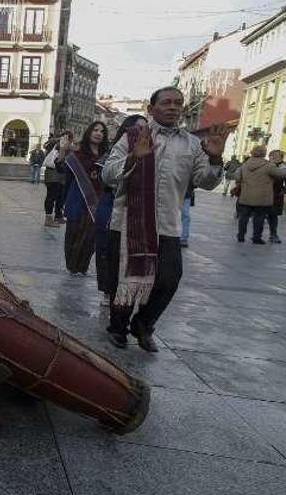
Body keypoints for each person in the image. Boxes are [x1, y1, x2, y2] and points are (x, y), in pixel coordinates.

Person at [102, 86, 226, 353]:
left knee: (169, 279)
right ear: (151, 109)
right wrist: (133, 157)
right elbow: (108, 174)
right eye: (166, 102)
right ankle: (117, 328)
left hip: (167, 224)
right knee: (123, 279)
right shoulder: (132, 137)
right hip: (127, 222)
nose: (173, 107)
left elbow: (205, 181)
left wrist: (215, 157)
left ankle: (143, 325)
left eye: (178, 103)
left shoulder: (192, 144)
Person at [95, 115, 148, 307]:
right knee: (106, 250)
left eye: (145, 128)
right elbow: (106, 177)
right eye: (136, 129)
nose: (141, 133)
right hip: (111, 203)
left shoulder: (153, 151)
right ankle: (107, 290)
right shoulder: (114, 151)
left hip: (137, 208)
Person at [54, 122, 109, 275]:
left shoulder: (107, 155)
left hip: (98, 202)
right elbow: (61, 169)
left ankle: (82, 267)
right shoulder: (78, 154)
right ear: (89, 133)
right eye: (95, 130)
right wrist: (63, 151)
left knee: (90, 237)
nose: (98, 133)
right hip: (77, 199)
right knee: (73, 234)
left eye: (102, 131)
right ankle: (72, 266)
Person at [234, 145, 286, 244]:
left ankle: (241, 235)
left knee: (243, 217)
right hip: (262, 198)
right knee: (259, 218)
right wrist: (285, 167)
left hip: (246, 196)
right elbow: (282, 174)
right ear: (264, 153)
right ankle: (256, 238)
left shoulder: (245, 165)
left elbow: (237, 177)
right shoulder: (268, 165)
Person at [42, 131, 71, 227]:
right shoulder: (59, 144)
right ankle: (49, 219)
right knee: (52, 196)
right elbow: (61, 158)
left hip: (57, 175)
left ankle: (57, 216)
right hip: (53, 174)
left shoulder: (54, 143)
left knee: (59, 196)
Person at [267, 149, 286, 244]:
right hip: (263, 194)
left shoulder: (284, 167)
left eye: (276, 156)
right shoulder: (266, 165)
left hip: (276, 195)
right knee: (259, 215)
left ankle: (273, 234)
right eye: (272, 156)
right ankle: (256, 235)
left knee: (273, 215)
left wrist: (285, 189)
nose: (274, 157)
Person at [180, 183, 194, 248]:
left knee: (185, 216)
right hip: (175, 192)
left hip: (185, 194)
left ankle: (184, 238)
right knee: (185, 216)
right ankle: (184, 238)